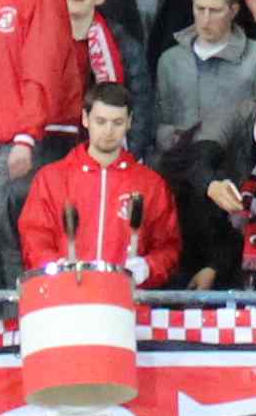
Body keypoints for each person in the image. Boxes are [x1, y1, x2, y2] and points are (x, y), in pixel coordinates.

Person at [19, 82, 183, 285]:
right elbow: (34, 237)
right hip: (65, 296)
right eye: (101, 121)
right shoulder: (51, 179)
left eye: (117, 122)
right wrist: (54, 266)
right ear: (85, 119)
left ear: (129, 122)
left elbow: (168, 247)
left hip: (125, 299)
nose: (108, 131)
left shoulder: (151, 184)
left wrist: (148, 267)